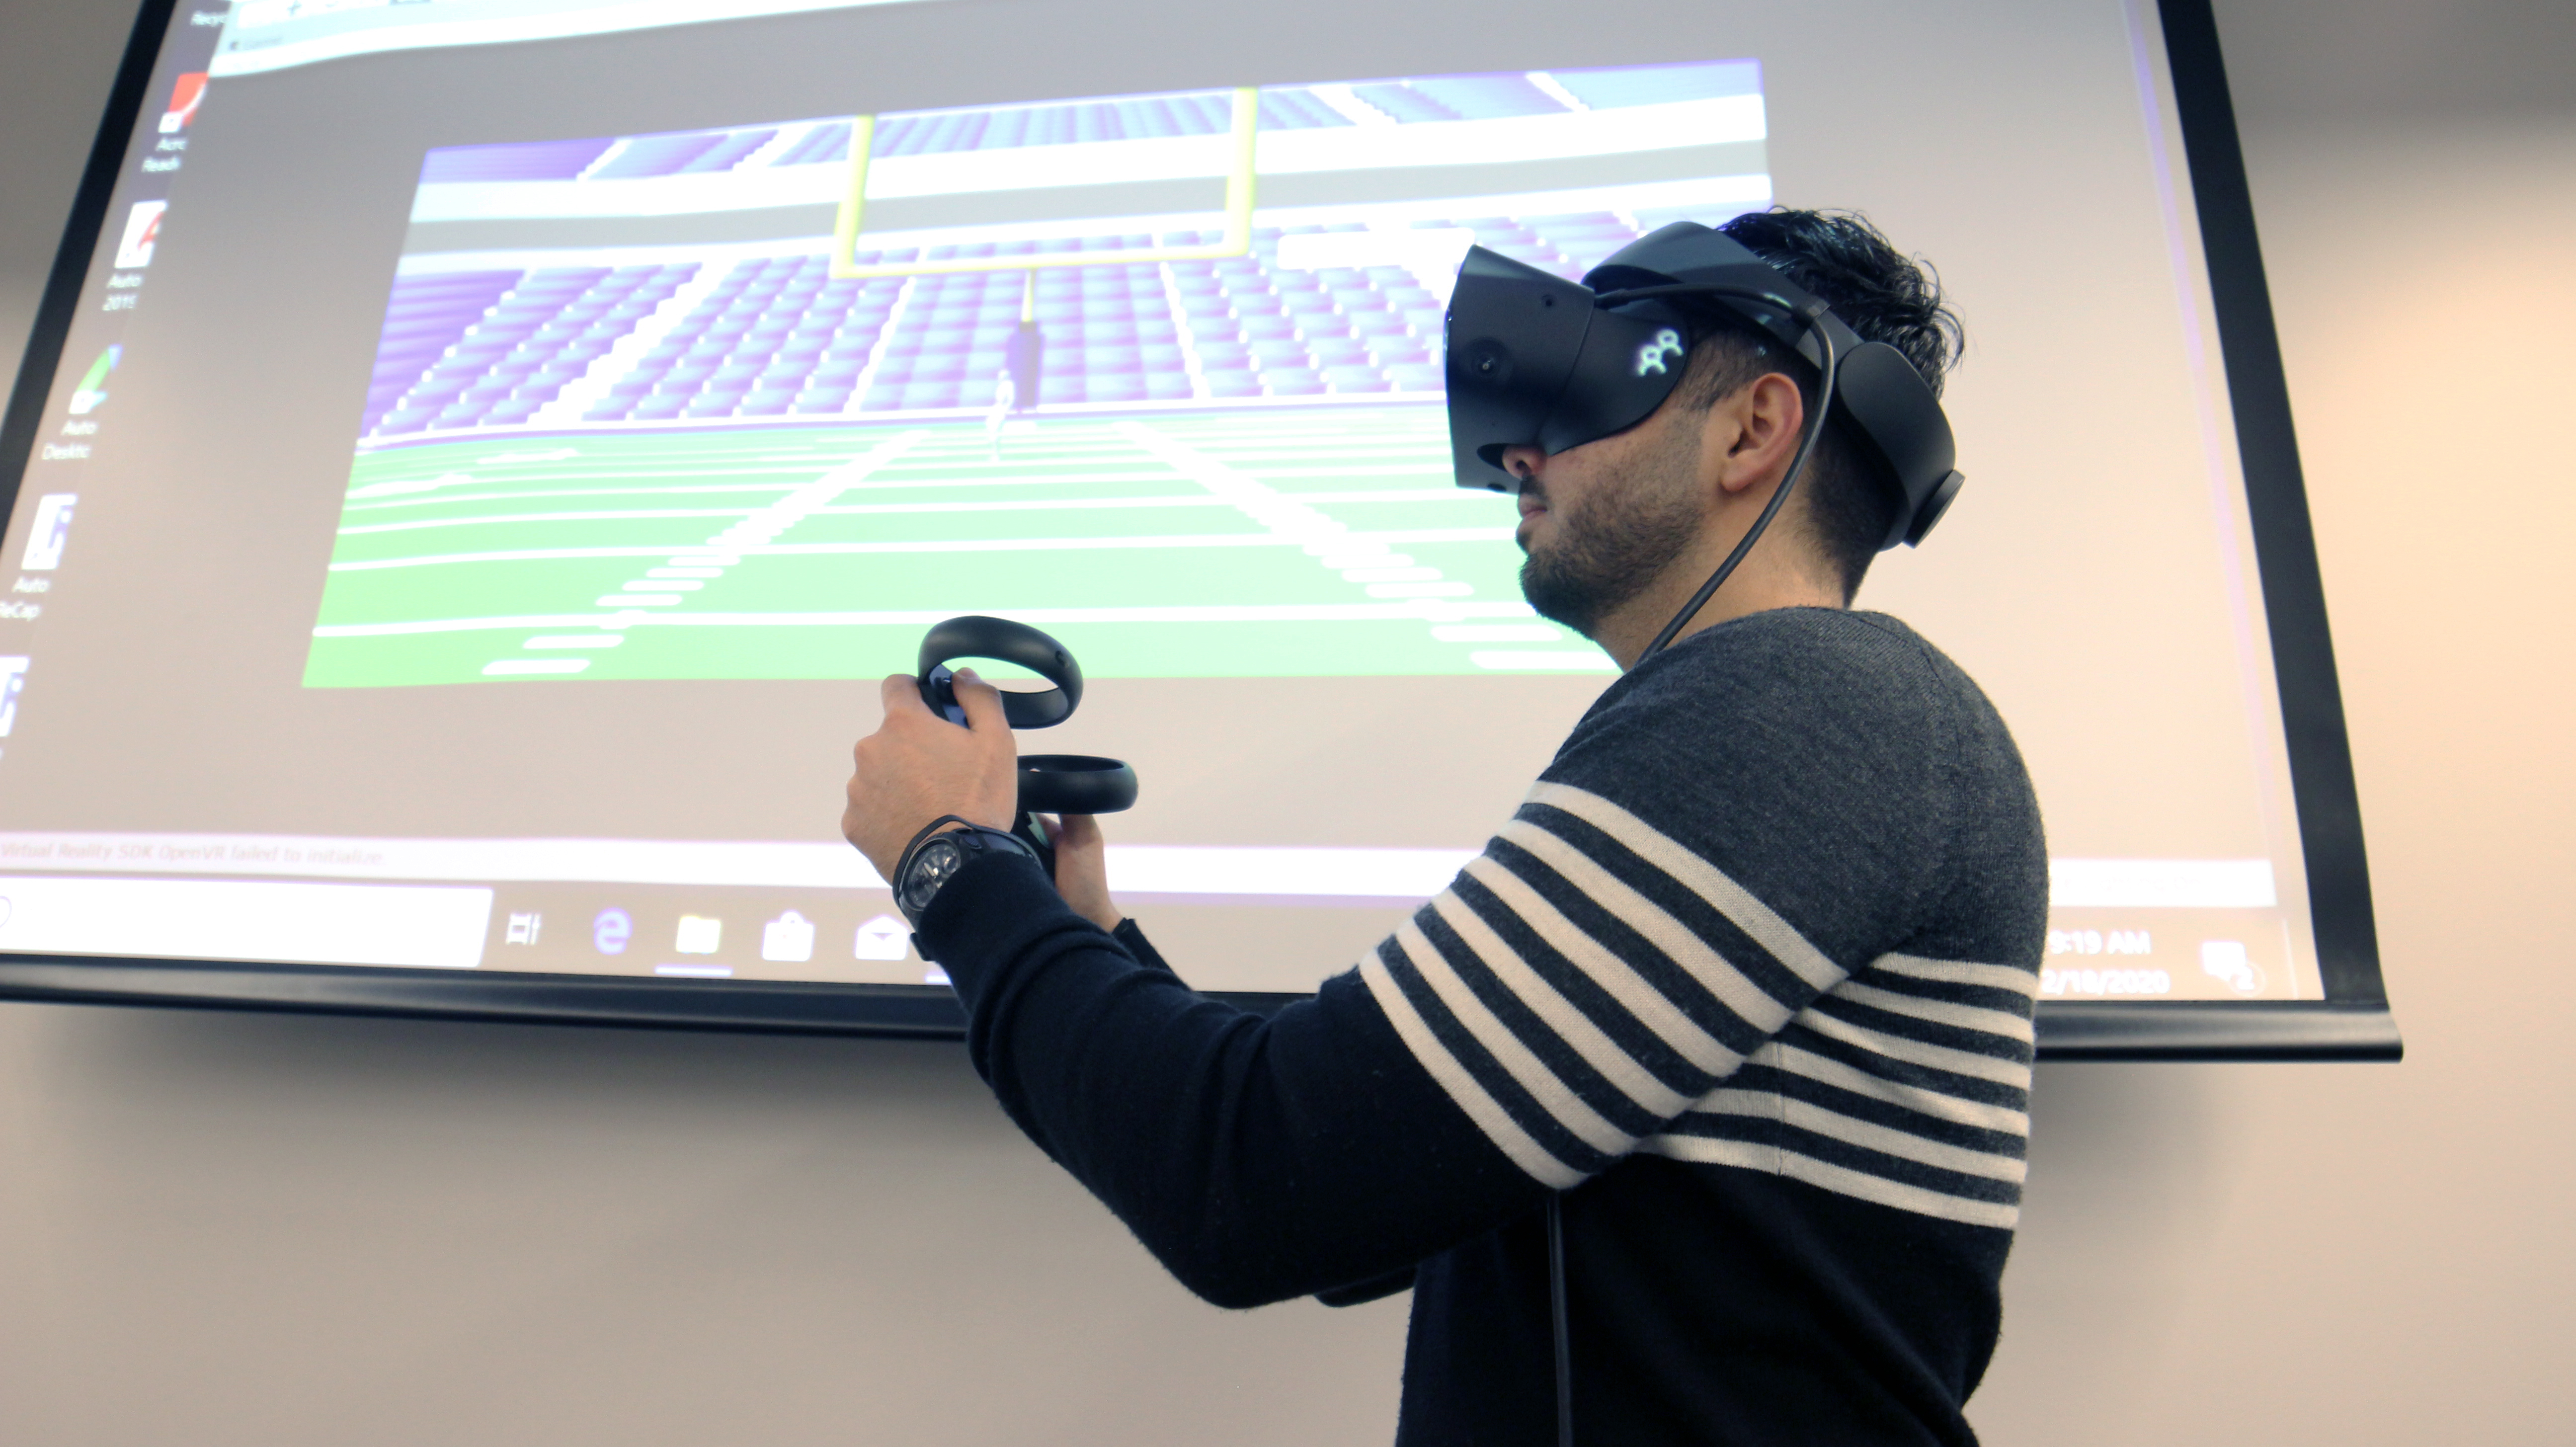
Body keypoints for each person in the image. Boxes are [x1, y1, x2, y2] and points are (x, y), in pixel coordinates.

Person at [840, 209, 2046, 1446]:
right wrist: (1074, 931)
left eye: (1594, 381)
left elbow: (1252, 1188)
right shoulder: (1791, 723)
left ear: (1754, 428)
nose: (1520, 451)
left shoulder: (1806, 707)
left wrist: (952, 868)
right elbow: (1370, 1194)